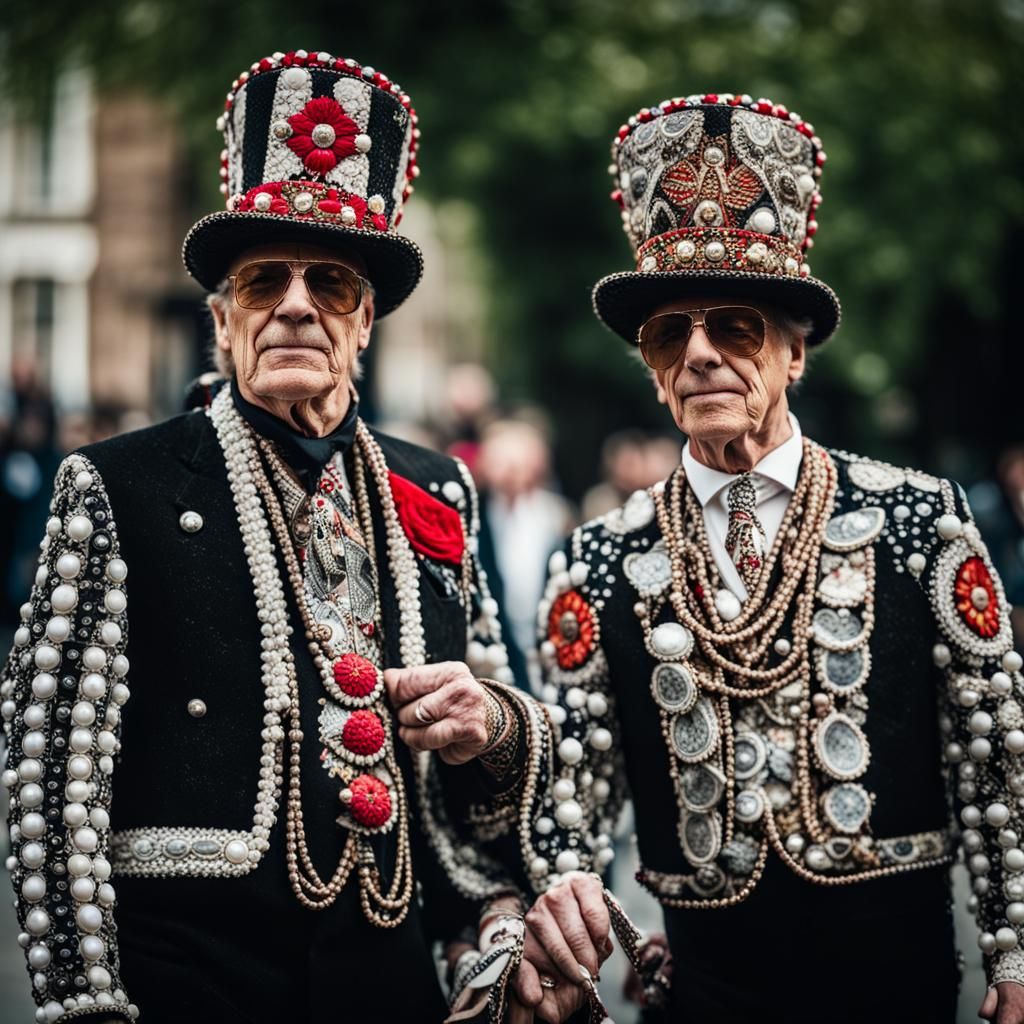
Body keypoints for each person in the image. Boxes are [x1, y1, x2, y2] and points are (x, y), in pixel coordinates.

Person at [1, 49, 544, 1024]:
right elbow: (51, 774)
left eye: (330, 284)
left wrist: (497, 884)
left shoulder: (437, 487)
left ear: (365, 318)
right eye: (262, 283)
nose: (295, 303)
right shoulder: (117, 483)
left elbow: (489, 729)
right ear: (221, 319)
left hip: (388, 981)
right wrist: (86, 1001)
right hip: (191, 978)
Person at [514, 92, 1024, 1023]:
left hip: (897, 983)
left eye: (736, 328)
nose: (701, 354)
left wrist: (1014, 954)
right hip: (705, 989)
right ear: (654, 370)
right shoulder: (597, 557)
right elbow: (572, 797)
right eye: (671, 334)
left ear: (795, 354)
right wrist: (599, 937)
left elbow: (993, 758)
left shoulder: (916, 519)